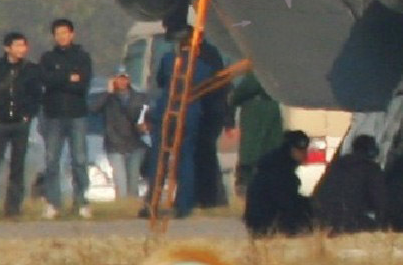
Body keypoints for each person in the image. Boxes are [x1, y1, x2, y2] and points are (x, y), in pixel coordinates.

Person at [142, 33, 216, 219]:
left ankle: (152, 201)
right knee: (186, 159)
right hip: (189, 114)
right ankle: (183, 205)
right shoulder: (203, 67)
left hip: (167, 111)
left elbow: (160, 81)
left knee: (159, 158)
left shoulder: (168, 60)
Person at [0, 32, 42, 219]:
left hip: (20, 124)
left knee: (17, 166)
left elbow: (36, 96)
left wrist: (28, 115)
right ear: (7, 48)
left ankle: (13, 208)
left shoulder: (31, 69)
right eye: (17, 45)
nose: (21, 49)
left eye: (24, 45)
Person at [39, 18, 93, 220]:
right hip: (53, 115)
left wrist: (58, 78)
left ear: (72, 34)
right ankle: (53, 202)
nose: (62, 36)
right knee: (52, 160)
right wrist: (67, 77)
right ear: (54, 36)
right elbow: (45, 80)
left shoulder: (82, 57)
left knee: (79, 159)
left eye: (65, 33)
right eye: (58, 33)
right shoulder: (47, 57)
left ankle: (81, 201)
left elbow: (82, 84)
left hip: (77, 114)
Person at [90, 66, 149, 200]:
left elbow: (146, 115)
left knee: (133, 184)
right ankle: (121, 206)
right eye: (119, 78)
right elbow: (93, 109)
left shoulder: (139, 97)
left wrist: (144, 126)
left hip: (134, 144)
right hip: (114, 145)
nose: (122, 82)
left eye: (124, 78)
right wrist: (108, 93)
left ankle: (132, 210)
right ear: (114, 80)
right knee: (121, 184)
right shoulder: (108, 98)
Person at [242, 130, 314, 237]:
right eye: (301, 151)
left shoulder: (276, 162)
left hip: (260, 221)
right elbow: (284, 200)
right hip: (267, 223)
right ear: (291, 149)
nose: (304, 155)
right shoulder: (280, 168)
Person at [313, 135, 387, 234]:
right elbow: (380, 201)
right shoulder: (370, 169)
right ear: (371, 151)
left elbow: (319, 194)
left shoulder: (336, 165)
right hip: (350, 222)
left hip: (322, 221)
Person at [228, 74, 283, 197]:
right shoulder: (277, 72)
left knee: (251, 151)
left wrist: (232, 99)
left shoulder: (257, 73)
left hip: (255, 112)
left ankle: (247, 186)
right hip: (272, 107)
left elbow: (242, 91)